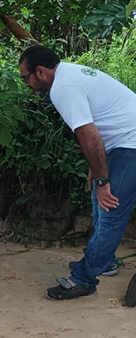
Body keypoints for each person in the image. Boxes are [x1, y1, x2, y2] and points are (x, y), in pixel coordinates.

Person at [19, 45, 136, 300]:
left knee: (111, 210)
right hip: (121, 141)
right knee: (99, 201)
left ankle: (83, 279)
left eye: (25, 77)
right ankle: (106, 261)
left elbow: (88, 134)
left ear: (40, 71)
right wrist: (98, 171)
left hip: (131, 142)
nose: (26, 84)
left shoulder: (63, 88)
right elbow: (97, 129)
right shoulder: (68, 74)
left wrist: (104, 179)